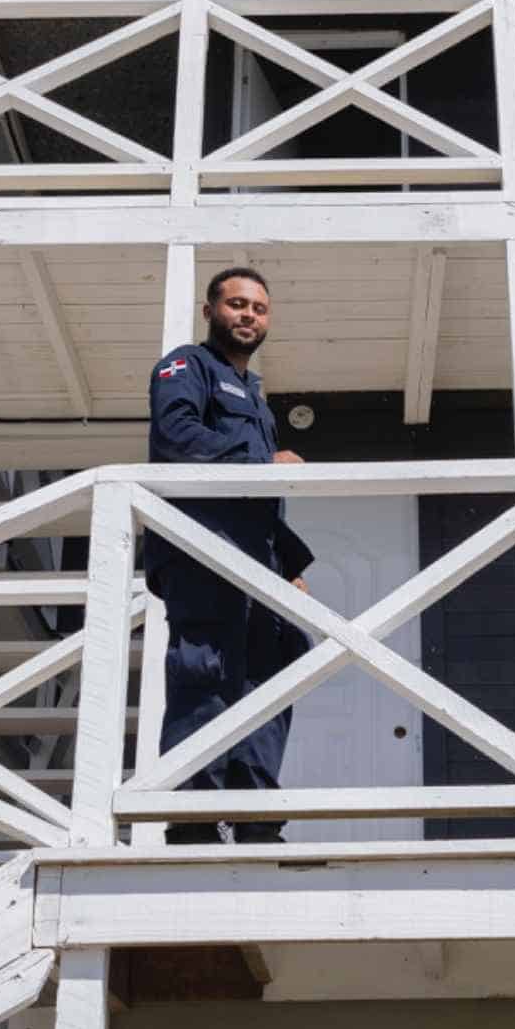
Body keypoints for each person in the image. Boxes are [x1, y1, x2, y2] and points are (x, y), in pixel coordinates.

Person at [144, 266, 313, 844]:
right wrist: (259, 462)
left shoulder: (258, 398)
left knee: (278, 661)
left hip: (255, 560)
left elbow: (259, 501)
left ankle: (253, 813)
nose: (248, 315)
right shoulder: (186, 367)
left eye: (259, 308)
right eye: (237, 304)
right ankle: (193, 819)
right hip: (201, 553)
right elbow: (176, 439)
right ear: (210, 310)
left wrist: (288, 566)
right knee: (206, 673)